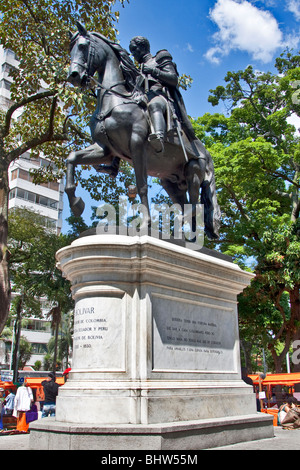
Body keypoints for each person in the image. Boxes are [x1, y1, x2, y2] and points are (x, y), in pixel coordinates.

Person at [129, 36, 201, 155]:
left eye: (134, 50)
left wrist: (154, 71)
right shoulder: (137, 71)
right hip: (142, 99)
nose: (133, 55)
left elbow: (173, 79)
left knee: (155, 104)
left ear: (143, 47)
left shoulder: (159, 58)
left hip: (160, 96)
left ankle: (159, 138)